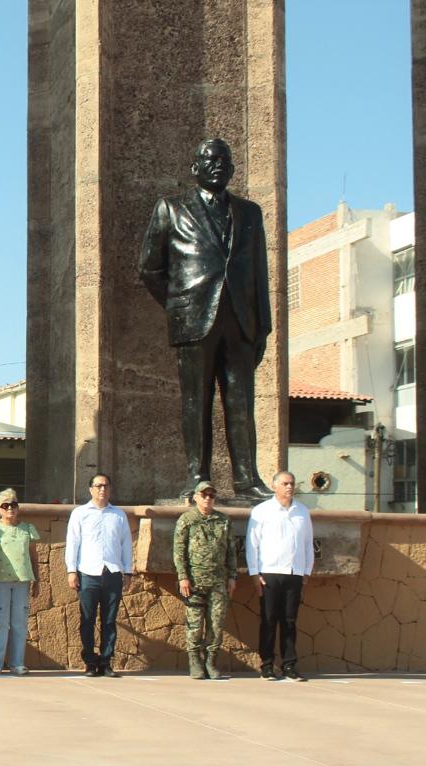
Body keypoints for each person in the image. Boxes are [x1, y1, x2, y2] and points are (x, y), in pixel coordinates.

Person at [138, 138, 273, 501]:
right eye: (210, 160)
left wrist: (264, 326)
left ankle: (247, 479)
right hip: (193, 321)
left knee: (241, 403)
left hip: (241, 321)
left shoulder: (250, 213)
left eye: (224, 160)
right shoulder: (171, 208)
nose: (218, 165)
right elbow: (150, 268)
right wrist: (176, 306)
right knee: (196, 402)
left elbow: (260, 271)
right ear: (195, 168)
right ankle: (197, 476)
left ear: (231, 169)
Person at [246, 470, 313, 682]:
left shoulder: (302, 511)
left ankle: (289, 665)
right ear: (274, 486)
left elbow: (307, 544)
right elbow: (252, 544)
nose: (289, 487)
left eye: (292, 483)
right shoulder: (261, 511)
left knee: (290, 621)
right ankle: (266, 665)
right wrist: (255, 574)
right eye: (284, 483)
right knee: (268, 620)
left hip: (294, 573)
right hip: (269, 573)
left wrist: (306, 572)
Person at [65, 473, 133, 677]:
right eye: (98, 486)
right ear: (91, 489)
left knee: (109, 620)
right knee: (87, 619)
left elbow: (126, 544)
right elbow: (73, 543)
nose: (102, 489)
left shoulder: (119, 515)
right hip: (88, 573)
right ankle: (90, 662)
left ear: (110, 489)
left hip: (112, 573)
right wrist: (71, 571)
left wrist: (128, 571)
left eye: (106, 486)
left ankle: (106, 661)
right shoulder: (80, 513)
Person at [173, 480, 236, 679]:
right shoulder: (187, 519)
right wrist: (183, 577)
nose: (208, 498)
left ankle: (211, 661)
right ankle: (195, 662)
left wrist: (232, 577)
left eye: (211, 495)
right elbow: (178, 551)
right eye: (204, 495)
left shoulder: (223, 521)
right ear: (195, 497)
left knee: (216, 624)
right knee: (194, 624)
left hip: (218, 581)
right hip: (194, 581)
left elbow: (231, 552)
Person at [0, 489, 40, 676]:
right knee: (0, 622)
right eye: (5, 505)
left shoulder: (27, 528)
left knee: (19, 623)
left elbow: (33, 556)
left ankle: (17, 663)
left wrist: (37, 580)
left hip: (22, 581)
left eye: (13, 504)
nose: (10, 508)